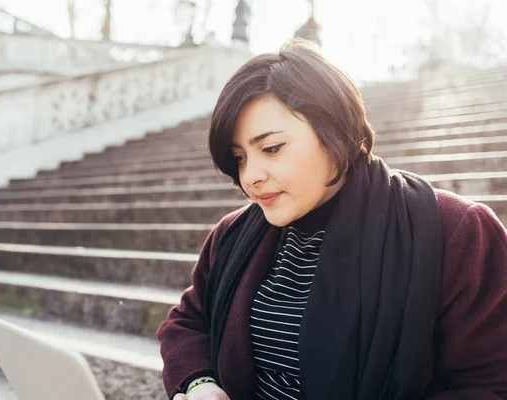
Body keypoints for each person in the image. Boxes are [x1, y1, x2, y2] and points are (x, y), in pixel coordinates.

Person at [157, 40, 507, 400]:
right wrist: (199, 383)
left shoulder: (456, 232)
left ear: (334, 131)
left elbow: (491, 383)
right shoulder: (232, 236)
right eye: (240, 157)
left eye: (272, 148)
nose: (251, 176)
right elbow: (187, 321)